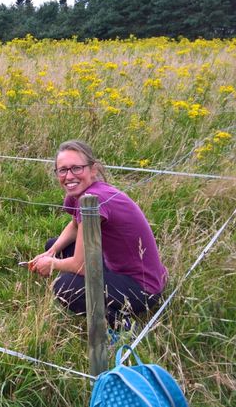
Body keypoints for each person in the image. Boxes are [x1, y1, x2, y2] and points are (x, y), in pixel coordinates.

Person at [27, 140, 167, 329]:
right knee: (54, 244)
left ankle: (119, 324)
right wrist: (50, 253)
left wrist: (52, 264)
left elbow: (81, 266)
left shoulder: (94, 200)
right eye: (62, 170)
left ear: (93, 169)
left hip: (142, 288)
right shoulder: (80, 193)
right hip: (116, 267)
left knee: (65, 288)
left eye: (77, 168)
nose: (69, 176)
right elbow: (75, 227)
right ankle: (106, 303)